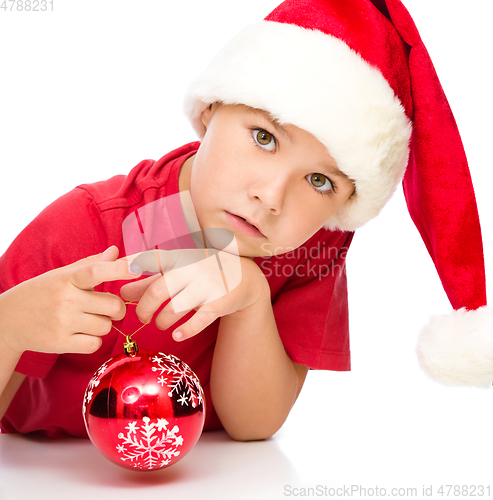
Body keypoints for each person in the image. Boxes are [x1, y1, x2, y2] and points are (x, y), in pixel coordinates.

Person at [1, 0, 492, 443]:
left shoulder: (313, 250)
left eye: (320, 181)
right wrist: (10, 327)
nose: (270, 196)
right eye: (263, 137)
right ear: (212, 108)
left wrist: (251, 300)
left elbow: (253, 425)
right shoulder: (86, 226)